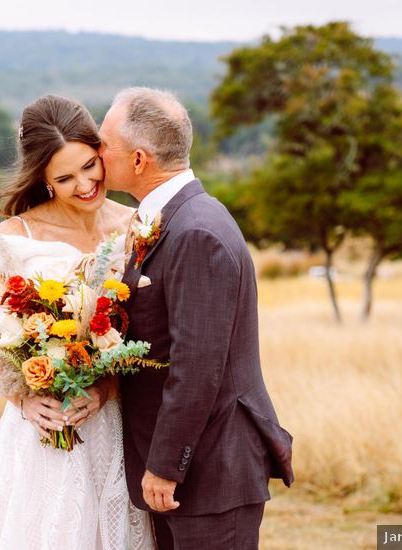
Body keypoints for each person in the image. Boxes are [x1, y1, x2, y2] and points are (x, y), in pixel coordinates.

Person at [0, 94, 155, 550]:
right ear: (42, 178)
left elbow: (150, 330)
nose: (85, 184)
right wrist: (24, 398)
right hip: (44, 425)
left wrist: (106, 388)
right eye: (64, 178)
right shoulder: (10, 239)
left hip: (119, 422)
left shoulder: (137, 228)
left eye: (89, 166)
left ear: (101, 151)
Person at [98, 87, 295, 550]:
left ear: (140, 159)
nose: (96, 152)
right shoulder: (171, 219)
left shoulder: (196, 232)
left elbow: (198, 367)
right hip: (193, 472)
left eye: (104, 144)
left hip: (209, 470)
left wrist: (166, 465)